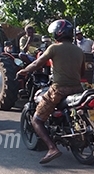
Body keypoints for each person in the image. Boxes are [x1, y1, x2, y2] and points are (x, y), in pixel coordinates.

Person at [16, 19, 85, 164]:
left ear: (57, 33)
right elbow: (82, 72)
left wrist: (23, 71)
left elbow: (37, 63)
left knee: (37, 119)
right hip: (78, 89)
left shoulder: (54, 48)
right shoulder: (79, 50)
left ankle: (52, 148)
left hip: (59, 89)